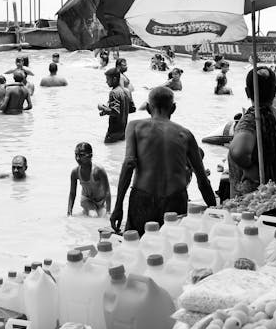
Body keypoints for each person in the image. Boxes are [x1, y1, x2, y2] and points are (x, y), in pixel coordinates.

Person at [110, 86, 215, 236]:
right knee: (172, 249)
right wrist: (214, 209)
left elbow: (129, 164)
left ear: (147, 108)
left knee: (139, 246)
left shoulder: (135, 126)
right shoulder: (186, 134)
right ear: (173, 108)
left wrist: (118, 206)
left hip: (143, 198)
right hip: (176, 200)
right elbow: (202, 180)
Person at [228, 67, 276, 197]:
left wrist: (251, 169)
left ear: (247, 92)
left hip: (255, 199)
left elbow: (239, 152)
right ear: (274, 91)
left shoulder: (251, 120)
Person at [67, 142, 111, 217]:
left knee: (103, 217)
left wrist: (108, 212)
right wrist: (69, 213)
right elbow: (72, 193)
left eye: (81, 155)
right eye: (76, 155)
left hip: (101, 201)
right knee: (93, 215)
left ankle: (84, 213)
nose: (77, 158)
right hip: (87, 199)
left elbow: (107, 192)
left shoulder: (98, 170)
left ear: (90, 156)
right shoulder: (75, 172)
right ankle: (87, 210)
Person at [98, 68, 130, 143]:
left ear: (114, 79)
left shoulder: (113, 92)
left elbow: (115, 112)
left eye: (108, 79)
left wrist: (102, 107)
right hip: (123, 132)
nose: (106, 82)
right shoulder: (126, 91)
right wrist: (106, 111)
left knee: (109, 151)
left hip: (113, 132)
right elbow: (130, 109)